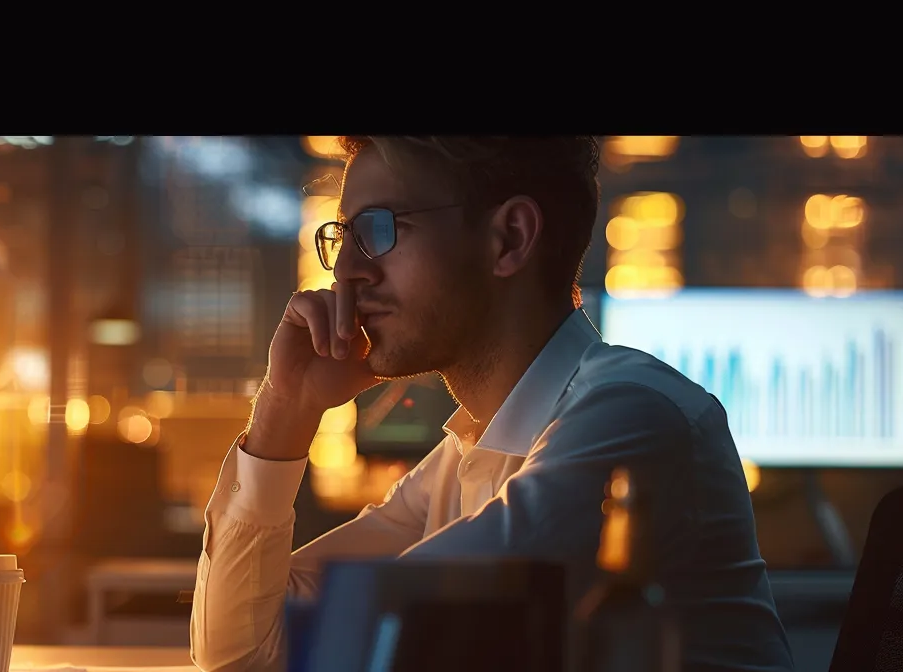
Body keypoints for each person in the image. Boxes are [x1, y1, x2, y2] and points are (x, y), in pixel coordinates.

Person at [190, 136, 794, 672]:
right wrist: (284, 410)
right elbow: (243, 655)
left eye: (378, 231)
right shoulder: (466, 457)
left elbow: (360, 636)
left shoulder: (633, 420)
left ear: (509, 239)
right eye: (343, 238)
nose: (346, 274)